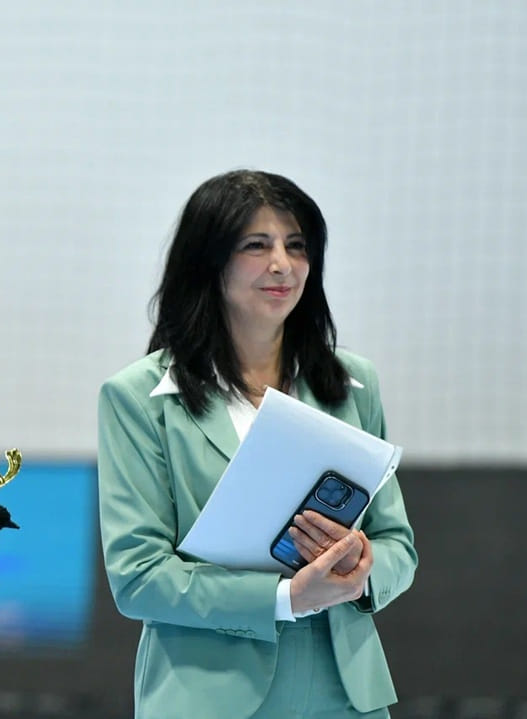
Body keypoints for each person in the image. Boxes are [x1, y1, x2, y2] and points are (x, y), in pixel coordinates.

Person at [97, 169, 417, 719]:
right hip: (207, 696)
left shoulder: (353, 384)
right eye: (256, 245)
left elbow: (398, 545)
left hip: (345, 692)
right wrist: (286, 598)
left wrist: (366, 568)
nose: (282, 264)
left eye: (297, 246)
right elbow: (139, 576)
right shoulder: (138, 398)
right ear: (209, 260)